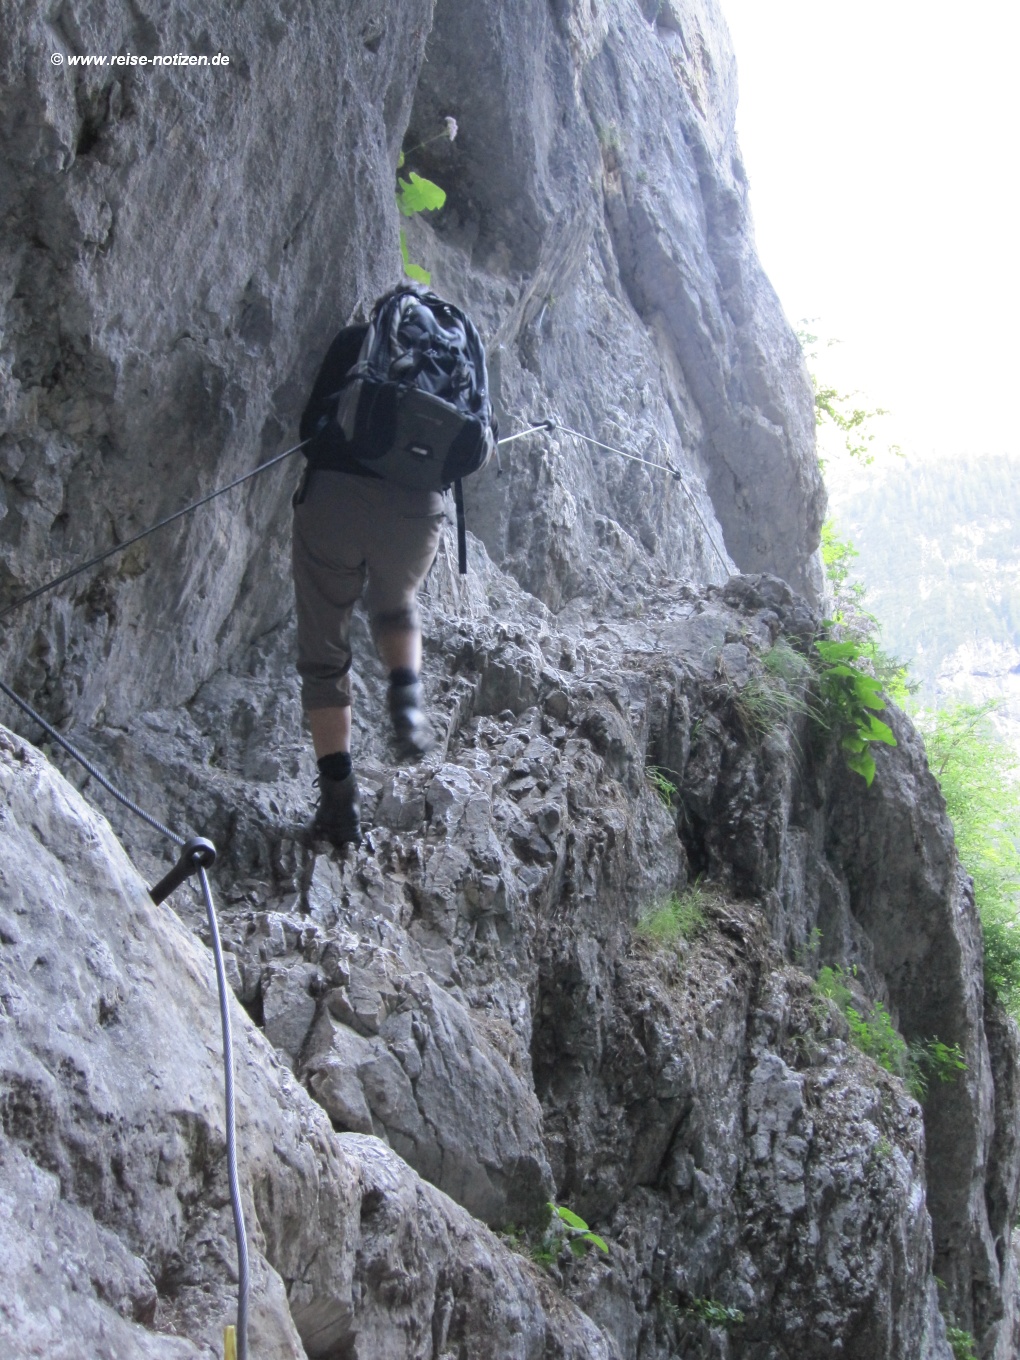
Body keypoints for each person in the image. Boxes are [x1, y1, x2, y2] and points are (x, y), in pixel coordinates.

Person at [292, 298, 446, 848]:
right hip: (415, 517)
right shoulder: (448, 365)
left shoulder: (354, 340)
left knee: (324, 650)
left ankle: (340, 803)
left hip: (335, 501)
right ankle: (406, 699)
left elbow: (310, 426)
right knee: (396, 600)